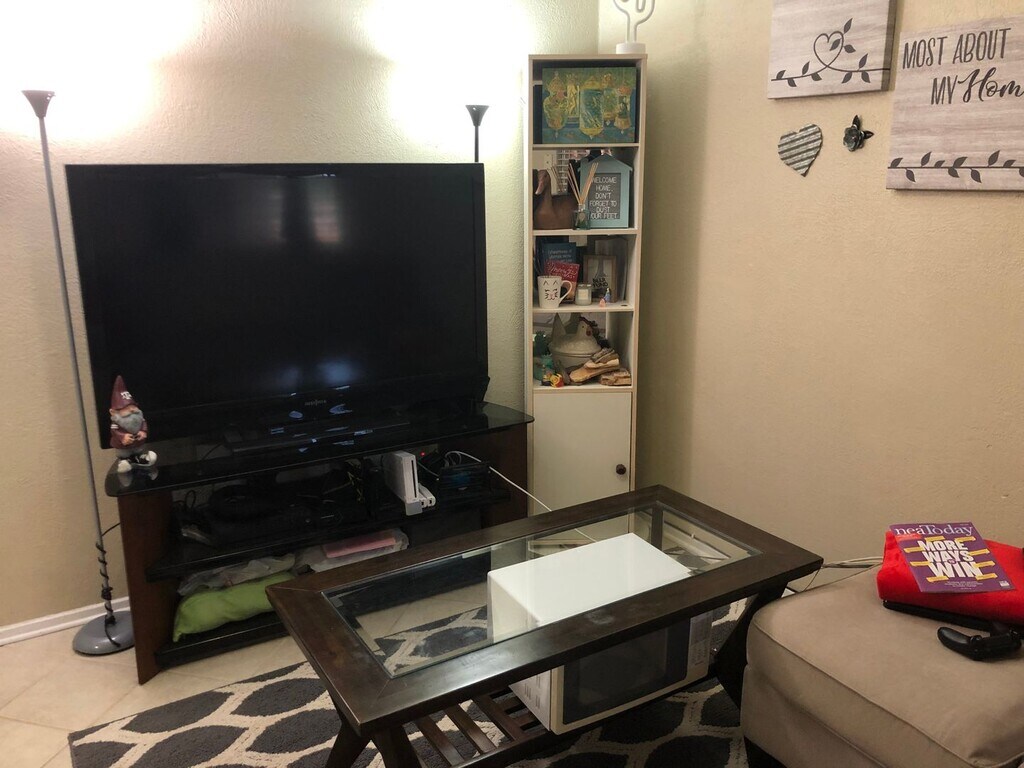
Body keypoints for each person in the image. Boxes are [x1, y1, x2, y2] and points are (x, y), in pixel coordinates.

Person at [109, 375, 157, 473]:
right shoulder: (116, 423)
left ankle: (140, 458)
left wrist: (143, 431)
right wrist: (123, 437)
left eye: (133, 406)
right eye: (126, 408)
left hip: (138, 443)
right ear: (113, 412)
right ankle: (124, 462)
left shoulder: (140, 418)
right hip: (123, 445)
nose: (131, 410)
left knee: (138, 451)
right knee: (124, 454)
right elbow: (114, 431)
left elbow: (143, 424)